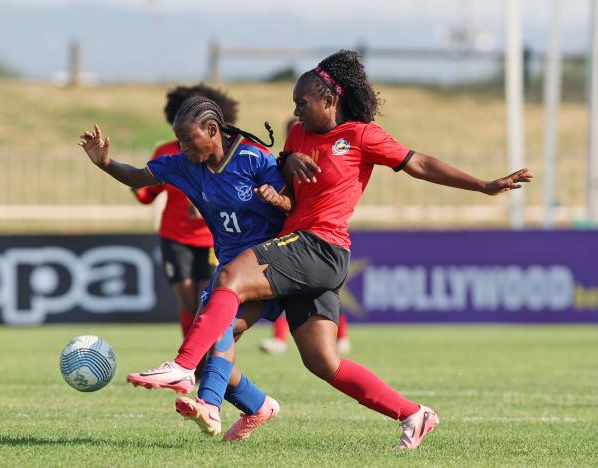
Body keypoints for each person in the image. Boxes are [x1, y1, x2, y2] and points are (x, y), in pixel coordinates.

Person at [134, 50, 533, 450]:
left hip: (320, 245)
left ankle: (186, 372)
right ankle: (414, 414)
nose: (295, 109)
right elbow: (287, 181)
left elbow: (421, 164)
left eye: (302, 102)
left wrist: (483, 186)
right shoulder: (296, 135)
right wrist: (284, 179)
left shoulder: (361, 135)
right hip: (297, 251)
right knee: (320, 361)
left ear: (329, 100)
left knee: (231, 276)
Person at [78, 96, 288, 440]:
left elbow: (294, 204)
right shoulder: (184, 165)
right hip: (230, 266)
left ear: (212, 130)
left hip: (269, 265)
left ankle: (208, 402)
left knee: (218, 332)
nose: (183, 147)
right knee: (214, 343)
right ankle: (258, 404)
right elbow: (138, 176)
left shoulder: (254, 159)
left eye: (189, 139)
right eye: (180, 140)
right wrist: (105, 163)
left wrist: (277, 199)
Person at [133, 85, 238, 338]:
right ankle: (190, 365)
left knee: (207, 303)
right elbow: (148, 195)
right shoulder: (167, 152)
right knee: (188, 304)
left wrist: (208, 207)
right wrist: (134, 185)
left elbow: (237, 194)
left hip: (212, 238)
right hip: (175, 236)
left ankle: (206, 362)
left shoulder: (223, 153)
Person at [259, 116, 351, 356]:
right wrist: (277, 198)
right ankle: (280, 338)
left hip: (322, 236)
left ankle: (341, 335)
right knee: (289, 288)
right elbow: (290, 199)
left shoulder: (327, 158)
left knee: (323, 287)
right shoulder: (286, 164)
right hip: (295, 232)